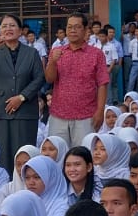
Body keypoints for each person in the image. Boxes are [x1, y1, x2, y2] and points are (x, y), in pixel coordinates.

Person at [0, 14, 45, 173]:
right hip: (2, 109)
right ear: (0, 30)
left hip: (25, 110)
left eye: (12, 25)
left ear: (20, 31)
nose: (8, 29)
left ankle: (27, 186)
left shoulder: (31, 53)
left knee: (25, 153)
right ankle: (6, 189)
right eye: (4, 26)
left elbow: (39, 78)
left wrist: (22, 97)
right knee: (4, 154)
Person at [44, 13, 109, 147]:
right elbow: (50, 79)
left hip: (86, 115)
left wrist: (100, 111)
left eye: (77, 27)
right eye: (69, 27)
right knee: (57, 156)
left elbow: (102, 83)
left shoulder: (96, 54)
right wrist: (52, 62)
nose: (72, 30)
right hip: (58, 115)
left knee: (83, 156)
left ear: (86, 30)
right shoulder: (56, 51)